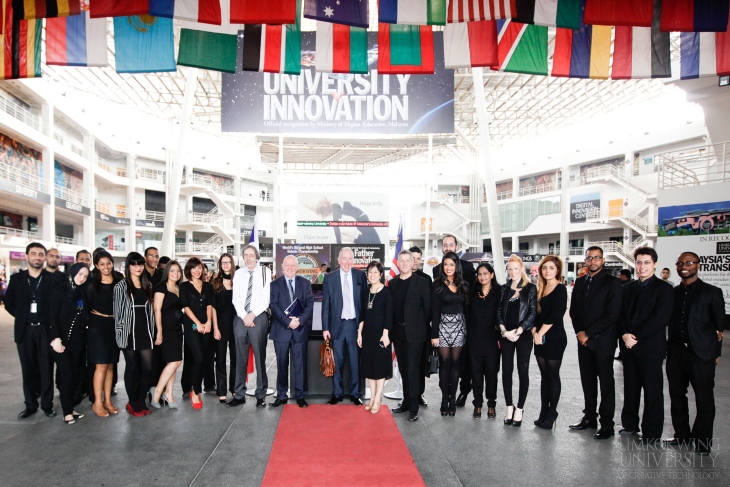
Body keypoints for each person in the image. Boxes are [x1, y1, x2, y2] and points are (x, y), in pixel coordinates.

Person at [665, 252, 724, 455]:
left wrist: (715, 353)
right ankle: (682, 435)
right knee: (677, 396)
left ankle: (702, 442)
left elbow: (719, 327)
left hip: (701, 354)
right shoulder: (672, 293)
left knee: (704, 399)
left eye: (689, 262)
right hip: (676, 352)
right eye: (680, 263)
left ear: (698, 265)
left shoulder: (712, 292)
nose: (684, 266)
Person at [618, 247, 674, 444]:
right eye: (639, 262)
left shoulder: (665, 289)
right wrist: (624, 334)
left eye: (647, 262)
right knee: (630, 389)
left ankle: (651, 432)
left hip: (651, 349)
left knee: (652, 391)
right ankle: (630, 425)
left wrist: (634, 336)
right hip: (629, 347)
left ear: (655, 264)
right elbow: (620, 316)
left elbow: (660, 319)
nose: (642, 266)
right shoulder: (627, 288)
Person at [568, 246, 623, 439]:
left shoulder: (613, 283)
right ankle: (589, 418)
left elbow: (612, 315)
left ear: (603, 260)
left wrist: (588, 334)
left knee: (606, 383)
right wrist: (579, 333)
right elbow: (573, 311)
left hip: (603, 342)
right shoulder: (580, 282)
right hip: (584, 343)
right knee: (588, 382)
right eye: (589, 258)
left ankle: (607, 424)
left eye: (596, 258)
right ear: (585, 260)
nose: (593, 261)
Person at [5, 243, 57, 419]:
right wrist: (22, 316)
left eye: (40, 254)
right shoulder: (17, 279)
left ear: (44, 258)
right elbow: (9, 303)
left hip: (45, 330)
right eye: (33, 254)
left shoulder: (50, 279)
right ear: (26, 256)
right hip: (25, 330)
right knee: (28, 369)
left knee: (46, 368)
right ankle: (30, 405)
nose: (37, 257)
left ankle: (47, 405)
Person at [432, 235, 476, 408]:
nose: (449, 267)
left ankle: (454, 398)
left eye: (452, 264)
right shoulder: (436, 282)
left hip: (459, 328)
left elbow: (468, 306)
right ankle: (444, 398)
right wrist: (434, 333)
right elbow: (434, 310)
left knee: (457, 365)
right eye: (446, 264)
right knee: (444, 365)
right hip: (442, 328)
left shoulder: (464, 283)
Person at [322, 247, 367, 405]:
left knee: (355, 362)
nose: (347, 262)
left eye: (350, 259)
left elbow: (364, 303)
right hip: (337, 326)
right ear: (339, 260)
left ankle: (356, 394)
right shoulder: (329, 278)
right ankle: (337, 393)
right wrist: (325, 328)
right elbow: (325, 306)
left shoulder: (361, 276)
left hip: (355, 326)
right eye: (344, 258)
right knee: (337, 362)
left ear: (353, 261)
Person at [389, 250, 431, 421]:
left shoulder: (421, 283)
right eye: (402, 260)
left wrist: (424, 330)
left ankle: (413, 407)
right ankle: (406, 402)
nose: (405, 263)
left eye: (408, 260)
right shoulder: (392, 284)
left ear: (413, 263)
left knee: (413, 370)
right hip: (398, 333)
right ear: (398, 263)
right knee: (404, 369)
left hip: (415, 334)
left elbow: (428, 310)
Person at [269, 255, 314, 408]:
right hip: (281, 330)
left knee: (300, 364)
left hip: (299, 331)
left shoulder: (305, 284)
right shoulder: (274, 285)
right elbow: (273, 306)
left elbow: (310, 304)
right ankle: (281, 395)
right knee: (281, 365)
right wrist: (288, 321)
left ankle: (300, 395)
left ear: (297, 267)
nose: (289, 268)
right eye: (287, 265)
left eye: (292, 265)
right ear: (282, 267)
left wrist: (299, 320)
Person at [113, 252, 155, 417]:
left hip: (145, 330)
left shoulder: (148, 285)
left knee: (148, 367)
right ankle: (132, 402)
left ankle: (140, 399)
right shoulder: (121, 287)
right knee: (132, 368)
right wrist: (120, 334)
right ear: (128, 266)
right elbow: (117, 314)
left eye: (140, 264)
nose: (137, 267)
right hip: (128, 332)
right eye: (134, 264)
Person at [229, 245, 271, 408]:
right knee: (240, 357)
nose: (248, 258)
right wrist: (244, 315)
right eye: (245, 255)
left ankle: (261, 394)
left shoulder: (264, 272)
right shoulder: (239, 274)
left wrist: (252, 314)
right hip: (241, 317)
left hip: (258, 317)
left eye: (251, 255)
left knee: (260, 357)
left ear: (257, 256)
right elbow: (236, 298)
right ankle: (239, 394)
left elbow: (265, 298)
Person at [497, 254, 537, 427]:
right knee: (506, 371)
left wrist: (519, 331)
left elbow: (533, 313)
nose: (512, 272)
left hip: (524, 335)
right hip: (506, 335)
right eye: (510, 269)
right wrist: (505, 331)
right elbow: (498, 311)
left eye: (515, 268)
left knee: (523, 371)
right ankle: (509, 407)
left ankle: (520, 408)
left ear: (522, 269)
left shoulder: (530, 289)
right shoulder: (504, 289)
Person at [49, 263, 89, 425]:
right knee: (66, 376)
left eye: (85, 276)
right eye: (80, 274)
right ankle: (66, 412)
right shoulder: (60, 292)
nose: (82, 278)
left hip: (78, 342)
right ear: (72, 273)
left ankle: (71, 407)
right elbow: (52, 317)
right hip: (61, 342)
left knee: (75, 375)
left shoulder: (81, 293)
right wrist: (56, 338)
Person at [532, 256, 568, 429]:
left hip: (554, 338)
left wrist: (540, 333)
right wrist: (534, 332)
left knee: (553, 376)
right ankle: (543, 412)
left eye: (551, 268)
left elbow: (556, 315)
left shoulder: (560, 289)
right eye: (545, 267)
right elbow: (534, 314)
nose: (547, 271)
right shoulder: (540, 288)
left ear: (558, 270)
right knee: (544, 377)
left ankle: (552, 411)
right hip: (539, 338)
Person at [86, 251, 122, 417]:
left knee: (110, 366)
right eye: (102, 264)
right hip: (97, 325)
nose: (106, 267)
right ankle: (97, 403)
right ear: (96, 266)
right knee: (100, 365)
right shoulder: (92, 282)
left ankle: (107, 401)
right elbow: (86, 305)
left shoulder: (119, 279)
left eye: (109, 263)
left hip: (114, 325)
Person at [357, 261, 392, 414]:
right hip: (367, 334)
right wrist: (359, 333)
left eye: (375, 272)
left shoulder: (386, 292)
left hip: (381, 335)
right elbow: (362, 315)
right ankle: (371, 398)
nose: (372, 275)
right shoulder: (365, 292)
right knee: (369, 367)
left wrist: (385, 334)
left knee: (379, 367)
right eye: (370, 272)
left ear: (381, 274)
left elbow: (388, 315)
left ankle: (378, 398)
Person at [179, 257, 214, 409]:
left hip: (206, 327)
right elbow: (186, 307)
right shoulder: (184, 286)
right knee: (198, 358)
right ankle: (196, 391)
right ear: (189, 270)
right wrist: (198, 323)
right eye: (194, 268)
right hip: (191, 326)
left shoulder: (207, 286)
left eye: (199, 267)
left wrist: (208, 322)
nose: (197, 270)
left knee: (204, 358)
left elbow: (209, 305)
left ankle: (196, 389)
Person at [468, 262, 501, 420]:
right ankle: (477, 404)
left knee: (491, 374)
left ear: (492, 275)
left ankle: (492, 404)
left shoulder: (499, 292)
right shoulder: (472, 292)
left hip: (492, 341)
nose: (482, 277)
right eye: (480, 274)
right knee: (476, 374)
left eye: (485, 274)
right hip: (474, 340)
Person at [150, 260, 184, 409]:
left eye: (178, 271)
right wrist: (159, 332)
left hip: (177, 330)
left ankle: (169, 393)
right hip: (166, 329)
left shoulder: (178, 288)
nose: (175, 273)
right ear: (167, 272)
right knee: (174, 361)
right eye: (172, 271)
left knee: (175, 362)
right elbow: (156, 309)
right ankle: (157, 391)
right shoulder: (161, 287)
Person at [212, 254, 238, 404]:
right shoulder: (215, 282)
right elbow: (213, 308)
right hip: (220, 326)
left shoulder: (238, 281)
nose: (226, 265)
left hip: (236, 326)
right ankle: (221, 391)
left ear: (232, 264)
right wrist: (215, 327)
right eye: (223, 263)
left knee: (235, 360)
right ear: (220, 265)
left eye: (228, 262)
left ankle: (234, 388)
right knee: (220, 360)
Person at [409, 245, 431, 407]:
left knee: (420, 364)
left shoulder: (426, 279)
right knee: (408, 366)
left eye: (418, 258)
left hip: (421, 331)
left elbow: (428, 307)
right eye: (413, 258)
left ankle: (419, 394)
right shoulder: (402, 278)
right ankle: (408, 396)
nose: (415, 261)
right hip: (406, 331)